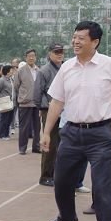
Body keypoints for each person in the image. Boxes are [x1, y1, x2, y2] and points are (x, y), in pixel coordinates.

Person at [41, 21, 111, 221]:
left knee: (102, 187)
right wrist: (46, 131)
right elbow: (57, 101)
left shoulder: (109, 65)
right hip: (71, 133)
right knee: (61, 181)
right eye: (74, 37)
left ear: (95, 42)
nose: (75, 42)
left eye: (81, 38)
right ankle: (67, 216)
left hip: (101, 134)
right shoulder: (67, 68)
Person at [34, 42, 64, 186]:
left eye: (61, 52)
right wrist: (42, 108)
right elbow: (37, 93)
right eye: (56, 52)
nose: (59, 54)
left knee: (64, 144)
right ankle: (46, 175)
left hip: (65, 111)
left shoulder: (65, 68)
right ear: (49, 54)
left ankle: (58, 173)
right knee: (50, 144)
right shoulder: (44, 71)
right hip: (49, 110)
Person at [14, 49, 41, 155]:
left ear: (35, 57)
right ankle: (22, 148)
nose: (31, 58)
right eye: (29, 56)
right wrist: (24, 95)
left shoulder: (38, 70)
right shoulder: (20, 71)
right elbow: (16, 86)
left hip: (37, 103)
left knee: (37, 127)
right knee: (24, 127)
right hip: (25, 103)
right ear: (26, 58)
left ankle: (36, 147)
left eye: (33, 56)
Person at [0, 65, 14, 140]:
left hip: (11, 101)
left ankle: (6, 133)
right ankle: (2, 134)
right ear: (7, 71)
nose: (12, 71)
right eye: (11, 70)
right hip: (4, 101)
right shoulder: (1, 80)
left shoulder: (11, 79)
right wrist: (0, 98)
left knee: (9, 119)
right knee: (4, 118)